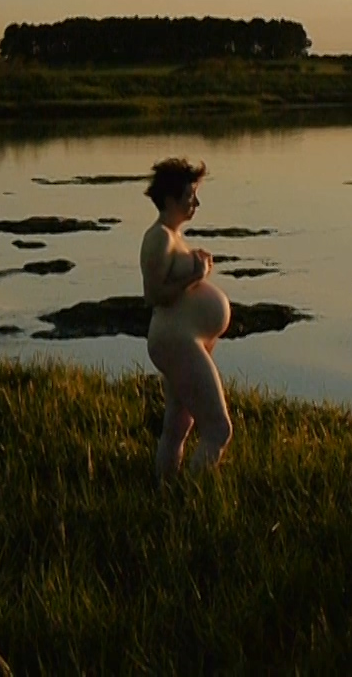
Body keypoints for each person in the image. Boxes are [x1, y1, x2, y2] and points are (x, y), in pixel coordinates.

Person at [140, 157, 232, 478]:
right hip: (174, 340)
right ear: (170, 199)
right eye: (190, 195)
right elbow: (154, 295)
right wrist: (196, 273)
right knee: (219, 430)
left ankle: (164, 490)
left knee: (179, 424)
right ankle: (193, 497)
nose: (196, 203)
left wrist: (198, 269)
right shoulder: (159, 238)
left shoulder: (174, 237)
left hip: (184, 337)